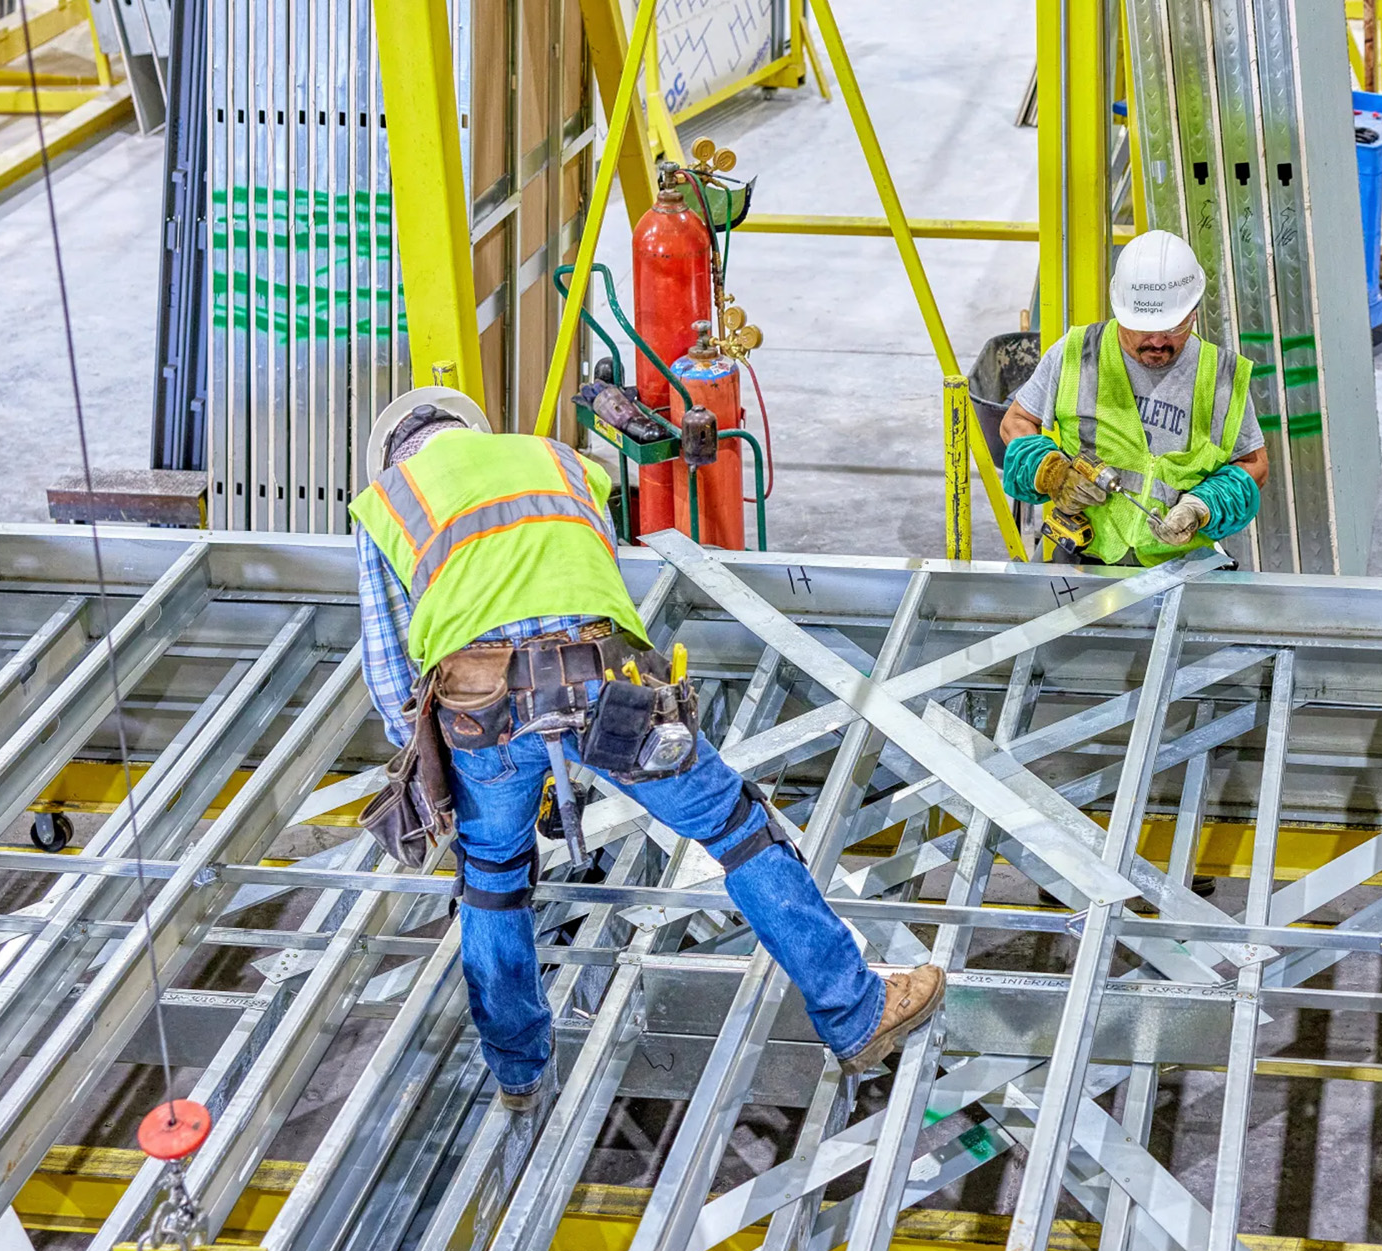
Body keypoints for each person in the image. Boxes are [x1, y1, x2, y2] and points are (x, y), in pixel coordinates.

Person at [350, 387, 945, 1109]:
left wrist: (435, 757)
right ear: (473, 432)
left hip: (483, 710)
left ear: (395, 455)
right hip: (601, 680)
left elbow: (389, 672)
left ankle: (517, 1072)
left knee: (493, 878)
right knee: (736, 829)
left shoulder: (388, 501)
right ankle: (854, 1014)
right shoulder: (559, 463)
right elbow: (586, 585)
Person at [995, 230, 1269, 565]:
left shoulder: (1220, 375)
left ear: (1193, 312)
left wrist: (1202, 506)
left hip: (1180, 567)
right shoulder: (1078, 353)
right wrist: (1053, 473)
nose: (1156, 341)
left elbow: (1255, 465)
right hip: (1081, 556)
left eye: (1172, 328)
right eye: (1142, 328)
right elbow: (1017, 422)